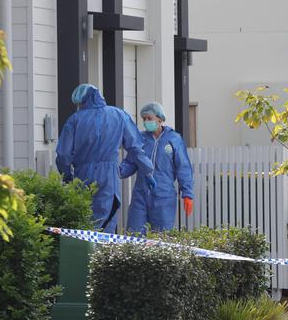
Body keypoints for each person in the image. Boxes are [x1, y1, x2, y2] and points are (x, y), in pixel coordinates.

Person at [56, 84, 156, 233]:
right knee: (107, 222)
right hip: (109, 176)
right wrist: (147, 171)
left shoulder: (74, 120)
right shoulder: (118, 115)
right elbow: (135, 148)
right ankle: (102, 255)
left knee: (84, 223)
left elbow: (63, 155)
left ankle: (86, 255)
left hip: (82, 176)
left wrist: (68, 177)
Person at [120, 102, 194, 234]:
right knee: (134, 236)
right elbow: (131, 162)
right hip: (140, 196)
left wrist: (187, 194)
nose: (146, 122)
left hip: (164, 197)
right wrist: (116, 172)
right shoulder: (140, 138)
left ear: (160, 119)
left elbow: (183, 168)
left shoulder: (174, 139)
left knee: (161, 237)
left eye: (149, 118)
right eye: (144, 119)